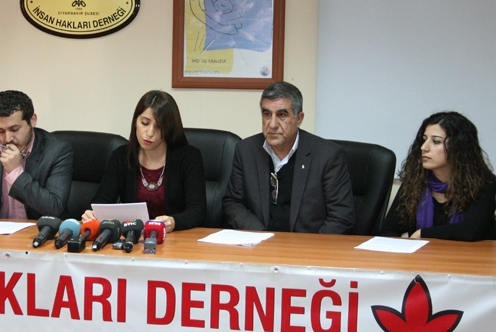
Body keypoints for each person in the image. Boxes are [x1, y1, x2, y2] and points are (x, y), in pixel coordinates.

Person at [222, 81, 355, 234]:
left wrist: (308, 246)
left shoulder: (327, 156)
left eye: (282, 115)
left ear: (299, 118)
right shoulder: (246, 151)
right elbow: (233, 203)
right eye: (267, 114)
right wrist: (260, 235)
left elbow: (341, 217)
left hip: (307, 244)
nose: (272, 124)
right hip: (259, 242)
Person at [82, 90, 206, 232]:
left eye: (159, 127)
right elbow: (102, 200)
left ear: (169, 129)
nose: (150, 133)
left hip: (174, 238)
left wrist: (174, 221)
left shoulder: (188, 157)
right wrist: (93, 213)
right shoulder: (121, 156)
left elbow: (198, 211)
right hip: (132, 236)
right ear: (136, 121)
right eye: (145, 123)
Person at [0, 90, 73, 225]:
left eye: (14, 129)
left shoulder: (57, 150)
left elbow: (54, 207)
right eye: (0, 131)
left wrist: (15, 172)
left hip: (41, 230)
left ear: (32, 120)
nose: (7, 138)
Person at [380, 112, 496, 241]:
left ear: (459, 147)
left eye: (436, 141)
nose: (424, 147)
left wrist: (421, 233)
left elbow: (470, 231)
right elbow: (388, 229)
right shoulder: (415, 181)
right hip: (421, 253)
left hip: (471, 253)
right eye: (424, 140)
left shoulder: (483, 183)